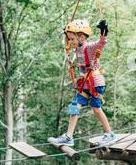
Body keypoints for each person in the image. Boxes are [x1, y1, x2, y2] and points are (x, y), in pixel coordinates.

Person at [49, 19, 116, 147]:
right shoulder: (77, 50)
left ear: (82, 37)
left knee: (96, 108)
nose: (70, 41)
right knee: (75, 106)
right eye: (69, 39)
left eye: (72, 39)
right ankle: (69, 137)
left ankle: (109, 134)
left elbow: (101, 43)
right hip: (84, 84)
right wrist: (67, 36)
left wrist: (103, 30)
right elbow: (68, 44)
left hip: (95, 83)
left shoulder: (90, 48)